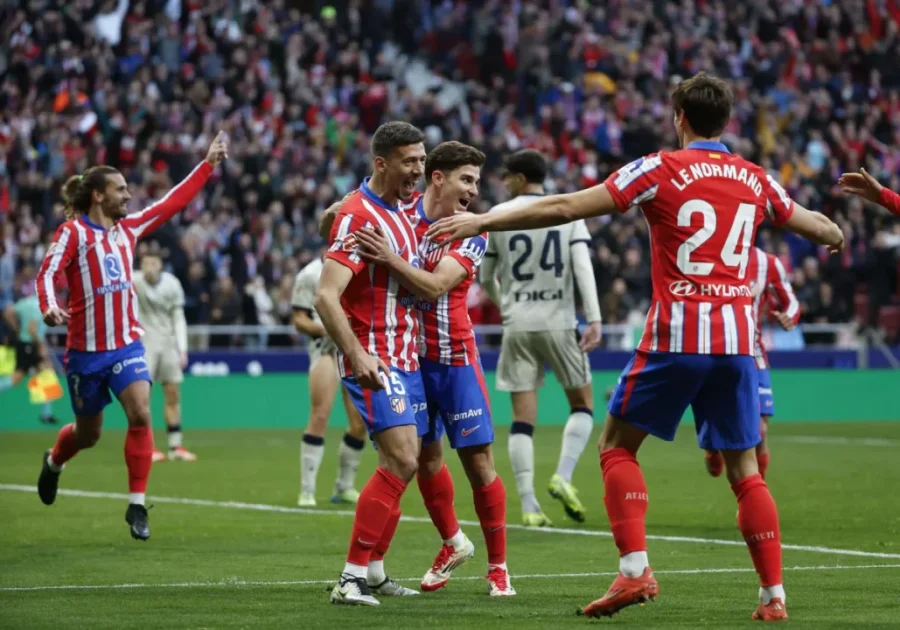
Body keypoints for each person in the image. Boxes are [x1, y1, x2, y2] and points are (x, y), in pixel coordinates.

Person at [426, 73, 844, 621]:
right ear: (727, 121)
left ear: (679, 118)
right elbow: (815, 227)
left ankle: (633, 571)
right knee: (747, 471)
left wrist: (484, 218)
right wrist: (837, 236)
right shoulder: (756, 178)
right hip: (740, 341)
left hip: (678, 334)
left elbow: (565, 207)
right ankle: (773, 597)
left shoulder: (659, 167)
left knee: (617, 446)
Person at [34, 132, 228, 541]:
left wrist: (208, 163)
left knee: (141, 412)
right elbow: (47, 274)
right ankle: (54, 461)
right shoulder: (73, 233)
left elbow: (173, 202)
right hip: (85, 353)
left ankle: (137, 505)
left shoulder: (131, 228)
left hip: (126, 344)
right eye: (120, 189)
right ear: (99, 196)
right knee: (88, 435)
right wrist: (49, 306)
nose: (129, 194)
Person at [353, 141, 514, 596]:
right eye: (467, 179)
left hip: (456, 358)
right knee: (421, 458)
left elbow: (435, 286)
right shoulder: (400, 215)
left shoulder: (472, 231)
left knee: (479, 463)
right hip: (410, 360)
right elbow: (350, 211)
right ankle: (451, 543)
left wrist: (390, 257)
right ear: (437, 178)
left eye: (478, 182)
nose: (474, 191)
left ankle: (499, 569)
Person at [316, 121, 426, 606]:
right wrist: (356, 353)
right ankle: (351, 577)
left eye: (422, 161)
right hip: (375, 355)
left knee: (401, 462)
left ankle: (375, 571)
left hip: (406, 354)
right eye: (410, 162)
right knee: (402, 458)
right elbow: (325, 295)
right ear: (381, 163)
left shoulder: (400, 210)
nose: (418, 171)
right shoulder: (360, 216)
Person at [479, 149, 603, 527]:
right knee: (582, 403)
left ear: (518, 178)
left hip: (518, 325)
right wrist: (594, 317)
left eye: (507, 176)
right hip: (559, 319)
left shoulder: (498, 215)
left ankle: (530, 506)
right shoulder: (566, 210)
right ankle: (563, 476)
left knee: (522, 419)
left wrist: (507, 307)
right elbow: (582, 267)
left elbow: (485, 278)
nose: (504, 182)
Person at [704, 247, 799, 480]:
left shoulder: (768, 263)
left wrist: (790, 316)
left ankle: (757, 493)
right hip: (713, 350)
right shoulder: (708, 254)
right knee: (717, 424)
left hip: (752, 353)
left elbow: (791, 301)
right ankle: (710, 446)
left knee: (761, 430)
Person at [291, 248, 367, 507]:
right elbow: (299, 318)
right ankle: (307, 489)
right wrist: (324, 329)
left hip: (353, 348)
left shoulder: (357, 267)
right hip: (325, 349)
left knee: (360, 423)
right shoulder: (310, 274)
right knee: (320, 414)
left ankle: (344, 486)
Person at [132, 250, 198, 463]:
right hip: (144, 345)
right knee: (144, 397)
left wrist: (183, 349)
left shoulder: (172, 284)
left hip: (168, 343)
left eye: (152, 262)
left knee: (173, 393)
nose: (147, 266)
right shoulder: (134, 281)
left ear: (160, 264)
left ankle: (175, 446)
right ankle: (146, 447)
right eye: (144, 262)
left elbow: (178, 318)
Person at [0, 287, 60, 425]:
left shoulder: (26, 302)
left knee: (45, 373)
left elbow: (8, 312)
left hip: (24, 343)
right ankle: (46, 414)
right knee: (17, 377)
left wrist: (16, 328)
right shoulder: (39, 307)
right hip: (30, 344)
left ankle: (47, 414)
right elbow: (32, 329)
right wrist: (40, 346)